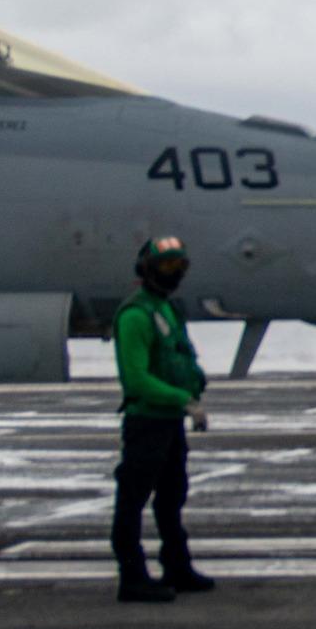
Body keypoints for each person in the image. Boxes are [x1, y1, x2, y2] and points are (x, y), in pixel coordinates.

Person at [112, 236, 212, 603]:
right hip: (146, 422)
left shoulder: (165, 310)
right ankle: (132, 576)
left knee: (172, 497)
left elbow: (180, 355)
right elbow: (136, 378)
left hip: (170, 421)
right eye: (168, 267)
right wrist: (182, 399)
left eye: (180, 267)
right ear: (147, 270)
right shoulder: (136, 315)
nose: (175, 275)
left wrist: (194, 386)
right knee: (133, 499)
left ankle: (176, 566)